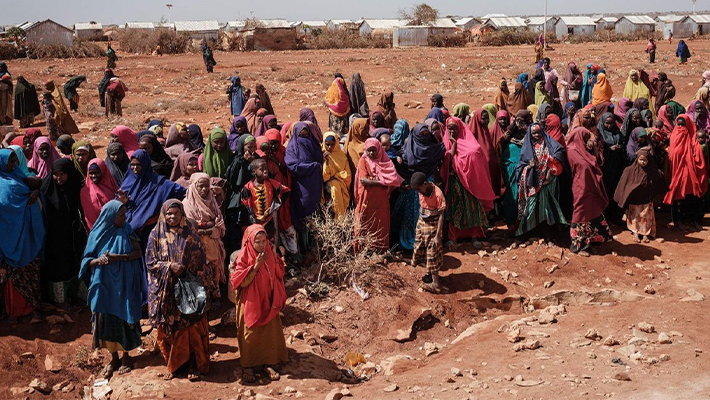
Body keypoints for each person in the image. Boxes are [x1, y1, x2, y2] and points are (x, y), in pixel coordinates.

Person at [145, 199, 212, 381]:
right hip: (166, 290)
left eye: (176, 213)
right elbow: (150, 262)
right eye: (169, 213)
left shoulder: (190, 232)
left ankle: (192, 364)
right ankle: (175, 365)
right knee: (170, 327)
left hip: (188, 288)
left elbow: (200, 258)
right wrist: (169, 266)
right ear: (163, 214)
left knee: (190, 325)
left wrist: (189, 271)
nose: (172, 217)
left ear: (182, 214)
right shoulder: (155, 234)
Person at [80, 200, 144, 379]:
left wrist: (121, 257)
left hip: (124, 283)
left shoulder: (127, 229)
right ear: (110, 216)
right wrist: (98, 260)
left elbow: (138, 252)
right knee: (107, 321)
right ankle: (114, 358)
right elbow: (87, 260)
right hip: (105, 286)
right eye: (121, 215)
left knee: (124, 318)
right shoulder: (97, 233)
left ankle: (126, 357)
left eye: (124, 214)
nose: (124, 218)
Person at [230, 224, 287, 383]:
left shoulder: (269, 252)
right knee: (251, 331)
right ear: (250, 241)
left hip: (268, 298)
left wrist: (276, 258)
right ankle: (248, 365)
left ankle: (268, 362)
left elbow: (278, 272)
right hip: (250, 301)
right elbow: (239, 282)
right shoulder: (242, 257)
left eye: (264, 241)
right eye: (258, 242)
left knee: (269, 332)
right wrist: (256, 266)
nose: (262, 245)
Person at [0, 149, 45, 319]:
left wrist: (36, 192)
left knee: (31, 273)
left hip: (27, 236)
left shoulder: (18, 176)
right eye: (9, 162)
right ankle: (15, 311)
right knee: (13, 277)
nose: (13, 165)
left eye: (14, 161)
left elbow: (35, 186)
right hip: (9, 238)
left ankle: (32, 309)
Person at [441, 116, 496, 246]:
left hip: (470, 183)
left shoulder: (470, 143)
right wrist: (453, 145)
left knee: (472, 209)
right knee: (454, 209)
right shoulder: (446, 143)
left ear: (460, 128)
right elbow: (446, 162)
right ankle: (454, 237)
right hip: (455, 182)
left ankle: (475, 236)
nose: (452, 132)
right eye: (449, 129)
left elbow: (475, 156)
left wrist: (461, 165)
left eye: (454, 128)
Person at [42, 158, 88, 307]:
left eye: (62, 174)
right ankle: (59, 299)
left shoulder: (76, 186)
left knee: (74, 264)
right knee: (58, 266)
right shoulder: (46, 189)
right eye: (55, 174)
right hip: (54, 238)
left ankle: (76, 294)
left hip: (73, 237)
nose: (58, 178)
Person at [118, 150, 187, 251]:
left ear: (145, 164)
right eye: (132, 165)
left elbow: (182, 191)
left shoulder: (159, 183)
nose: (135, 168)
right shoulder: (128, 181)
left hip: (149, 230)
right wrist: (123, 202)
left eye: (138, 165)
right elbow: (118, 203)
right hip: (128, 230)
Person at [515, 123, 567, 238]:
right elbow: (521, 166)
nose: (537, 135)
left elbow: (559, 153)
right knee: (531, 205)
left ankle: (549, 232)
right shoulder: (527, 147)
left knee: (548, 206)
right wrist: (529, 167)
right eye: (534, 133)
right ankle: (525, 232)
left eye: (539, 132)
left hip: (549, 180)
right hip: (534, 181)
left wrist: (549, 172)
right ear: (530, 134)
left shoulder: (548, 144)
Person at [566, 127, 613, 255]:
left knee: (593, 208)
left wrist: (595, 148)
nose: (588, 140)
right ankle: (578, 244)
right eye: (586, 137)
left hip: (592, 185)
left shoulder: (587, 150)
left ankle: (593, 240)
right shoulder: (571, 151)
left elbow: (599, 162)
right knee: (580, 211)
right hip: (580, 186)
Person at [354, 138, 403, 252]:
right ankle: (364, 250)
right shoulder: (363, 161)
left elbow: (393, 179)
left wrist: (374, 181)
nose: (371, 153)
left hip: (381, 201)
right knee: (365, 222)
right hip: (367, 199)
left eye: (374, 150)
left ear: (379, 150)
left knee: (381, 223)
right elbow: (363, 180)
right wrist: (383, 182)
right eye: (369, 150)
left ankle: (379, 250)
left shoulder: (385, 161)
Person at [184, 173, 227, 303]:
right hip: (197, 245)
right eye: (200, 186)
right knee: (200, 270)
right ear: (193, 186)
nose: (204, 189)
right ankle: (203, 300)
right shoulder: (186, 204)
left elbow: (219, 220)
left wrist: (206, 228)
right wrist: (209, 227)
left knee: (214, 268)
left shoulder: (212, 201)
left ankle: (215, 295)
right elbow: (190, 227)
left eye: (207, 186)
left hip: (212, 242)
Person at [663, 115, 708, 230]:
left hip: (690, 173)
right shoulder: (674, 137)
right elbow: (672, 156)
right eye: (679, 125)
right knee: (677, 196)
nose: (681, 127)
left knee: (690, 196)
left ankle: (690, 220)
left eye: (683, 125)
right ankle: (677, 221)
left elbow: (697, 152)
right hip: (676, 173)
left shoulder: (693, 139)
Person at [614, 148, 666, 243]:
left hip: (646, 199)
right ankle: (635, 233)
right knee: (635, 217)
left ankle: (645, 234)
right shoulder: (630, 170)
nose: (642, 162)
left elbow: (659, 177)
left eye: (645, 160)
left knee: (646, 218)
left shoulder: (652, 171)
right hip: (634, 200)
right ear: (637, 159)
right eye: (640, 159)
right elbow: (624, 184)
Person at [410, 172, 446, 294]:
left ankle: (436, 284)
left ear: (425, 184)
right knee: (420, 246)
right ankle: (430, 274)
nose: (418, 192)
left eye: (419, 189)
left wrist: (437, 236)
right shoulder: (422, 190)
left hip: (434, 223)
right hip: (422, 221)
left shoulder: (438, 194)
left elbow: (441, 215)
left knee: (432, 251)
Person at [285, 122, 323, 235]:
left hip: (315, 186)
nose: (304, 137)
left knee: (315, 214)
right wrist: (313, 166)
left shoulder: (313, 145)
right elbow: (293, 166)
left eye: (306, 134)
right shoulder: (291, 148)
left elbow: (321, 159)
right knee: (301, 214)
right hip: (300, 187)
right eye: (301, 134)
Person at [225, 134, 259, 251]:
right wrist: (244, 163)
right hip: (238, 200)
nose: (252, 150)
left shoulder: (257, 158)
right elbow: (233, 181)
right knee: (237, 232)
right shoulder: (236, 161)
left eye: (254, 147)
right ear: (242, 147)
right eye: (249, 147)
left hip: (254, 199)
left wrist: (253, 163)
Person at [501, 111, 530, 230]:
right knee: (512, 195)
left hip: (526, 171)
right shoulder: (510, 136)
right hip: (511, 170)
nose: (520, 124)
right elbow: (500, 144)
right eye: (518, 121)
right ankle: (512, 223)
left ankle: (523, 224)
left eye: (523, 121)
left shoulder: (530, 135)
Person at [597, 113, 627, 222]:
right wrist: (609, 149)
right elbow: (598, 151)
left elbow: (623, 143)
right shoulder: (600, 134)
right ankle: (607, 217)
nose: (609, 126)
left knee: (617, 190)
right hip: (606, 168)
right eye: (607, 123)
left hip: (618, 166)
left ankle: (616, 216)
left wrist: (620, 147)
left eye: (611, 123)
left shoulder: (617, 132)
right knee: (607, 191)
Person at [469, 109, 503, 198]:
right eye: (483, 119)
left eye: (487, 118)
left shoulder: (485, 130)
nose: (487, 121)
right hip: (481, 167)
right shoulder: (472, 133)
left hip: (490, 166)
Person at [81, 159, 119, 230]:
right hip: (96, 229)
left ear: (103, 171)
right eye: (91, 173)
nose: (94, 176)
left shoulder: (111, 186)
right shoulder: (85, 192)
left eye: (97, 172)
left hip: (114, 227)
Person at [322, 132, 351, 218]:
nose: (329, 147)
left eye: (332, 144)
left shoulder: (342, 155)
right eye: (327, 144)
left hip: (341, 186)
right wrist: (326, 162)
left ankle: (340, 220)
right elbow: (325, 177)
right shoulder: (321, 155)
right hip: (326, 188)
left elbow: (347, 175)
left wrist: (335, 176)